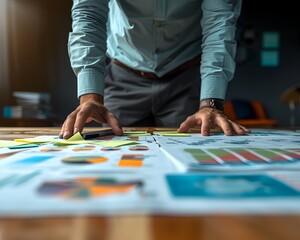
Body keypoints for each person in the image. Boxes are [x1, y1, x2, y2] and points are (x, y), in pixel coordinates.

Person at [59, 0, 250, 139]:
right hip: (122, 75)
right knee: (114, 156)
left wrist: (211, 104)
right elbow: (88, 18)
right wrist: (90, 97)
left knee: (190, 152)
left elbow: (219, 27)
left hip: (185, 77)